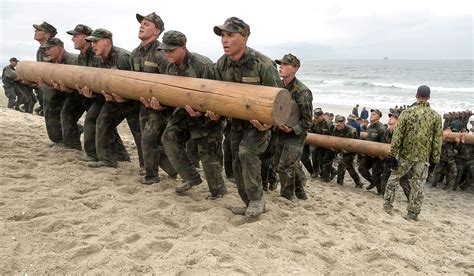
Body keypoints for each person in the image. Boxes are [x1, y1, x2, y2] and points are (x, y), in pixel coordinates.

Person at [212, 17, 282, 217]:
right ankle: (248, 202)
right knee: (236, 160)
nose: (225, 40)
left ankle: (257, 199)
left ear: (244, 38)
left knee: (246, 153)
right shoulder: (221, 64)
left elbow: (279, 100)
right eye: (223, 36)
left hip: (259, 124)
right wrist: (214, 111)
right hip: (236, 123)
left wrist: (267, 125)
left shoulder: (263, 64)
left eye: (230, 35)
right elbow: (215, 93)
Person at [155, 30, 226, 199]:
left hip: (209, 117)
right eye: (164, 50)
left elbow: (219, 95)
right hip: (184, 112)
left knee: (208, 156)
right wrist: (160, 106)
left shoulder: (203, 65)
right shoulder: (169, 67)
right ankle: (191, 177)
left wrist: (206, 112)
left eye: (170, 50)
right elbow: (171, 94)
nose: (167, 54)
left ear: (183, 48)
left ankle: (218, 191)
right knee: (169, 137)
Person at [78, 29, 137, 168]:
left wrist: (123, 98)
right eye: (91, 42)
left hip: (131, 101)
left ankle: (133, 162)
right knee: (98, 120)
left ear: (107, 41)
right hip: (111, 99)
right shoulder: (98, 59)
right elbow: (99, 82)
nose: (93, 45)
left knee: (136, 131)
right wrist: (92, 94)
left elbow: (134, 83)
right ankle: (105, 158)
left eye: (96, 41)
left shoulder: (122, 57)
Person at [383, 85, 442, 221]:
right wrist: (435, 160)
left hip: (405, 155)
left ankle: (387, 206)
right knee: (418, 185)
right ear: (429, 97)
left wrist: (392, 155)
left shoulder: (406, 113)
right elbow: (437, 141)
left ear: (416, 95)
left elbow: (398, 136)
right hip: (423, 158)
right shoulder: (436, 117)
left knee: (393, 179)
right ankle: (413, 213)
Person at [131, 12, 177, 184]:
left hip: (160, 107)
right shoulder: (135, 53)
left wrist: (162, 105)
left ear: (157, 31)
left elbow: (170, 82)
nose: (141, 26)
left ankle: (152, 176)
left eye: (147, 24)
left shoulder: (161, 53)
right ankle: (173, 169)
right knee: (149, 139)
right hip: (143, 104)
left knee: (149, 139)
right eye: (141, 23)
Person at [273, 53, 312, 201]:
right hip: (280, 131)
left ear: (294, 68)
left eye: (285, 64)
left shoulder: (302, 91)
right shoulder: (278, 87)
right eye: (280, 64)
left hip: (295, 135)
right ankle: (300, 193)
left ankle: (288, 197)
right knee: (282, 164)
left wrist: (293, 129)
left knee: (285, 167)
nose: (280, 67)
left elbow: (308, 121)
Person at [51, 24, 94, 150]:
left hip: (96, 95)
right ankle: (72, 147)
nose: (72, 39)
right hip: (79, 93)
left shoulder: (95, 54)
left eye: (75, 36)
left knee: (97, 122)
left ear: (86, 37)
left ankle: (120, 155)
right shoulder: (81, 56)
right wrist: (68, 89)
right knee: (67, 113)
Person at [39, 37, 78, 146]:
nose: (46, 52)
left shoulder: (73, 61)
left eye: (49, 49)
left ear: (59, 49)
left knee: (67, 114)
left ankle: (72, 144)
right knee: (50, 112)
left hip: (76, 93)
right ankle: (59, 140)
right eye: (45, 49)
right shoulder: (50, 62)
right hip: (59, 92)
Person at [380, 111, 411, 199]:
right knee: (385, 176)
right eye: (390, 117)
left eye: (393, 117)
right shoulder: (387, 132)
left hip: (400, 159)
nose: (390, 118)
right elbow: (383, 144)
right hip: (389, 158)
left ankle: (410, 198)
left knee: (403, 180)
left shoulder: (402, 132)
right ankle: (385, 196)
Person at [358, 109, 385, 194]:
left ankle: (381, 192)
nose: (371, 115)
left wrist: (379, 154)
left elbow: (384, 143)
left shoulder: (381, 128)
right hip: (369, 154)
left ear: (379, 117)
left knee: (376, 174)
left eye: (374, 114)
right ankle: (372, 182)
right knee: (361, 169)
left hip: (377, 156)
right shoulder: (370, 127)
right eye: (371, 114)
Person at [33, 21, 57, 116]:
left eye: (38, 30)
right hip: (47, 88)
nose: (35, 31)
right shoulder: (40, 50)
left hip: (55, 89)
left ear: (47, 34)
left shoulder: (54, 49)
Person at [332, 115, 362, 187]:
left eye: (338, 125)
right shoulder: (335, 129)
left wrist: (348, 151)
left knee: (342, 164)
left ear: (343, 122)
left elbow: (355, 144)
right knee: (349, 166)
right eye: (336, 125)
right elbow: (336, 140)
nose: (337, 126)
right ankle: (358, 182)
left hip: (351, 151)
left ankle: (339, 183)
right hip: (342, 149)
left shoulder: (352, 130)